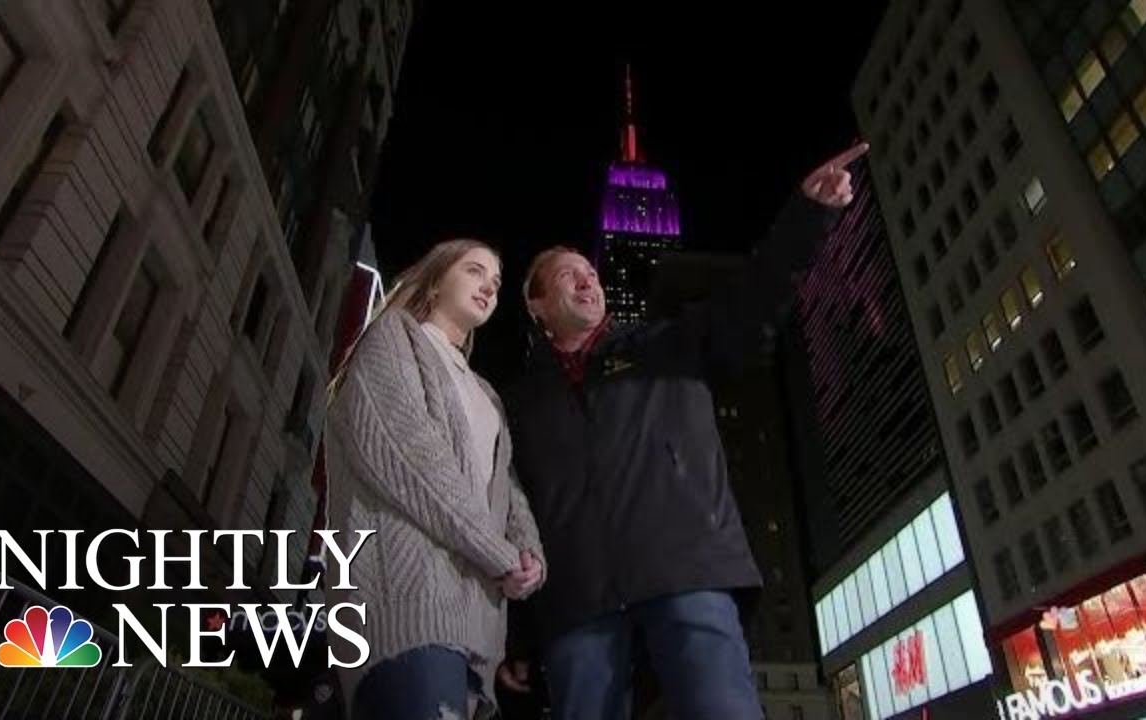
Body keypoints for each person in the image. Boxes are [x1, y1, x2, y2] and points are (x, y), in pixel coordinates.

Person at [498, 143, 868, 719]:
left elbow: (753, 302)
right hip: (577, 599)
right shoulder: (519, 403)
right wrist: (518, 637)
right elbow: (513, 512)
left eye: (591, 273)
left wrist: (806, 217)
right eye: (569, 276)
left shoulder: (665, 345)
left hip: (685, 569)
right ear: (537, 305)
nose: (587, 281)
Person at [324, 238, 547, 720]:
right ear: (437, 278)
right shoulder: (393, 339)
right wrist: (500, 556)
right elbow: (415, 462)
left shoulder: (486, 394)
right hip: (404, 602)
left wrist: (529, 553)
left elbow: (506, 489)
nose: (489, 285)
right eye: (474, 270)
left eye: (496, 281)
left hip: (477, 629)